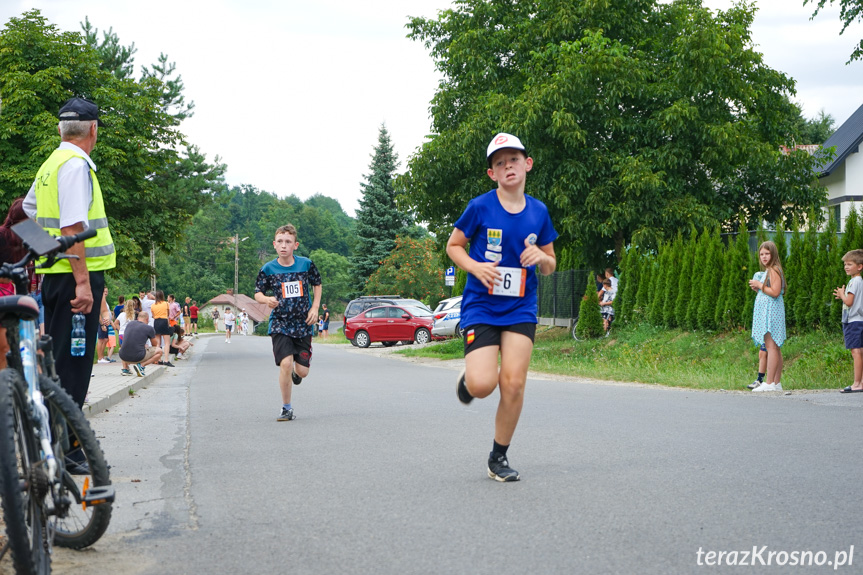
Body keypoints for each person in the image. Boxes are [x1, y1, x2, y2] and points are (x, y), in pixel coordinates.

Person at [446, 133, 557, 482]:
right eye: (499, 162)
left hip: (522, 306)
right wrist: (475, 267)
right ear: (492, 173)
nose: (507, 166)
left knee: (514, 384)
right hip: (481, 305)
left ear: (528, 164)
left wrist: (542, 257)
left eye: (513, 159)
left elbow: (551, 262)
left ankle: (498, 457)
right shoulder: (480, 207)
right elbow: (454, 246)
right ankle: (470, 381)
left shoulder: (539, 212)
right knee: (483, 385)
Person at [22, 97, 116, 407]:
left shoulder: (50, 164)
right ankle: (70, 452)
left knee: (60, 362)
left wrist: (48, 253)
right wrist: (83, 282)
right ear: (93, 129)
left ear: (61, 130)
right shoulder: (76, 166)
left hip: (54, 277)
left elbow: (25, 213)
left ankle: (55, 444)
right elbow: (73, 228)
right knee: (73, 368)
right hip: (75, 281)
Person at [254, 224, 322, 422]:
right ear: (274, 245)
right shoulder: (267, 269)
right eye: (280, 242)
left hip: (303, 323)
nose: (284, 246)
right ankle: (286, 408)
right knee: (285, 363)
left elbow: (317, 284)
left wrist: (315, 307)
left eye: (288, 242)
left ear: (295, 245)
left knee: (302, 371)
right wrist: (266, 300)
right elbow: (257, 292)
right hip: (280, 323)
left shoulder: (306, 264)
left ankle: (296, 371)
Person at [748, 240, 786, 392]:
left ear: (773, 254)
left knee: (771, 347)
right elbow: (769, 290)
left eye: (767, 253)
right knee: (774, 347)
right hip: (769, 310)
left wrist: (759, 285)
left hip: (771, 313)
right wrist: (759, 289)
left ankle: (769, 382)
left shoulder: (774, 270)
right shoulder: (769, 271)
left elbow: (775, 292)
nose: (764, 257)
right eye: (761, 254)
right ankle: (776, 383)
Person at [834, 249, 863, 393]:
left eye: (850, 264)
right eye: (845, 264)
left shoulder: (853, 282)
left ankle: (857, 383)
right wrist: (843, 296)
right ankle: (861, 381)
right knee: (860, 350)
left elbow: (850, 302)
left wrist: (842, 295)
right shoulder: (860, 281)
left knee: (855, 351)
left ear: (859, 266)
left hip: (853, 321)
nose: (846, 267)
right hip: (860, 320)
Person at [118, 310, 162, 377]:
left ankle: (125, 369)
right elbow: (154, 345)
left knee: (124, 347)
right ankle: (141, 366)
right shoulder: (149, 328)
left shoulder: (129, 324)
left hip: (123, 356)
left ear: (138, 318)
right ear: (147, 319)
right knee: (159, 351)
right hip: (138, 357)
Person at [150, 290, 175, 367]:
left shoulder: (153, 305)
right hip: (164, 321)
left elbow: (153, 316)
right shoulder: (166, 304)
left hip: (156, 322)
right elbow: (168, 314)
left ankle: (159, 359)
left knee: (158, 343)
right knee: (167, 342)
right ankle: (166, 360)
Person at [96, 286, 115, 363]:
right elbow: (99, 313)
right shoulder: (100, 300)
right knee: (101, 340)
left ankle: (102, 357)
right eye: (104, 292)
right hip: (102, 323)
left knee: (105, 339)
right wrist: (102, 324)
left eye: (107, 291)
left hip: (106, 323)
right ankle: (99, 358)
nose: (106, 293)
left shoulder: (105, 301)